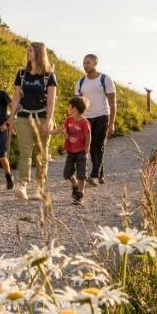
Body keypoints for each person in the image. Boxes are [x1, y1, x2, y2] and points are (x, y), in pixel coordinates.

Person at [6, 42, 58, 200]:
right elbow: (16, 98)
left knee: (41, 154)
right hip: (23, 117)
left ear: (39, 53)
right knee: (25, 152)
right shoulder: (22, 74)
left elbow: (51, 100)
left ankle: (40, 188)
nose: (27, 52)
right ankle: (22, 185)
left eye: (30, 50)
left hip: (42, 117)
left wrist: (48, 120)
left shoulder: (49, 76)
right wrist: (11, 118)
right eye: (27, 50)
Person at [75, 54, 116, 185]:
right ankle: (100, 173)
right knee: (90, 147)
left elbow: (112, 102)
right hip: (86, 118)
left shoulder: (105, 79)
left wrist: (112, 123)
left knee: (98, 145)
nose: (85, 65)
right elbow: (77, 104)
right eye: (84, 63)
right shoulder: (81, 82)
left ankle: (93, 175)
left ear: (95, 63)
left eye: (88, 63)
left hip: (102, 116)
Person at [56, 96, 91, 204]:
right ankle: (75, 185)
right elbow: (59, 129)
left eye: (69, 106)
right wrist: (48, 131)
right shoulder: (68, 120)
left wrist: (86, 150)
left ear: (74, 108)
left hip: (81, 152)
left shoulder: (84, 122)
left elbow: (88, 136)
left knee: (81, 174)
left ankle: (80, 196)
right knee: (67, 174)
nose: (68, 108)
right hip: (71, 152)